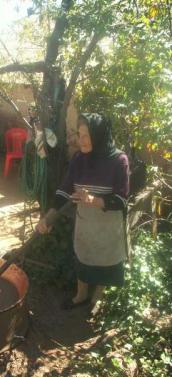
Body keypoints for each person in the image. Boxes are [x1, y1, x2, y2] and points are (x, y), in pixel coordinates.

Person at [36, 113, 129, 309]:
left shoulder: (118, 160)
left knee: (105, 260)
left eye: (87, 135)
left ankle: (97, 297)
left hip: (108, 225)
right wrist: (49, 218)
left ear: (99, 135)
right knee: (83, 258)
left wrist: (92, 199)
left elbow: (121, 200)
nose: (81, 140)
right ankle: (81, 294)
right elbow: (64, 190)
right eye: (80, 134)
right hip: (86, 222)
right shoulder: (79, 159)